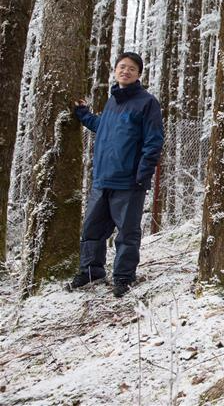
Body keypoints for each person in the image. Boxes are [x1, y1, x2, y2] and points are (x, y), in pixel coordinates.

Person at [68, 52, 164, 298]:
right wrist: (84, 115)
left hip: (129, 182)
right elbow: (104, 128)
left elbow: (154, 142)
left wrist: (142, 175)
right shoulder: (113, 102)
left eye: (132, 68)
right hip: (102, 179)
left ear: (139, 74)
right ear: (115, 71)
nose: (126, 71)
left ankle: (123, 277)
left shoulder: (147, 102)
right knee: (92, 230)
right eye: (122, 67)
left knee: (127, 233)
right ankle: (91, 271)